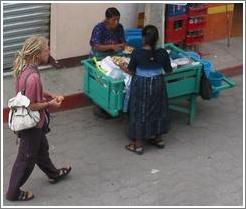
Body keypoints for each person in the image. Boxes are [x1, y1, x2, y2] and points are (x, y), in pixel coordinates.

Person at [6, 36, 72, 201]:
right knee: (26, 159)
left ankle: (53, 174)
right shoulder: (34, 77)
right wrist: (51, 104)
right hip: (31, 125)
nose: (49, 51)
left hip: (36, 124)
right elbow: (31, 106)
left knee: (41, 149)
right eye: (46, 49)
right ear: (37, 54)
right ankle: (13, 193)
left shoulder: (26, 69)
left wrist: (48, 95)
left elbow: (27, 94)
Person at [119, 25, 173, 155]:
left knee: (140, 111)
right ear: (156, 39)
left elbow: (131, 71)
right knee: (158, 109)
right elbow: (168, 71)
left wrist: (122, 67)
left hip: (141, 86)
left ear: (143, 38)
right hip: (158, 84)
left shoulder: (137, 53)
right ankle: (158, 138)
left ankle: (138, 145)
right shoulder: (163, 53)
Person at [89, 7, 126, 119]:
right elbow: (96, 45)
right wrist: (111, 46)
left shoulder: (119, 27)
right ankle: (101, 105)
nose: (116, 22)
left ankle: (116, 101)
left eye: (118, 20)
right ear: (107, 19)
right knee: (103, 80)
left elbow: (122, 41)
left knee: (119, 75)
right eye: (114, 20)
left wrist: (122, 45)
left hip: (115, 56)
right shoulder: (99, 28)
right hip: (99, 57)